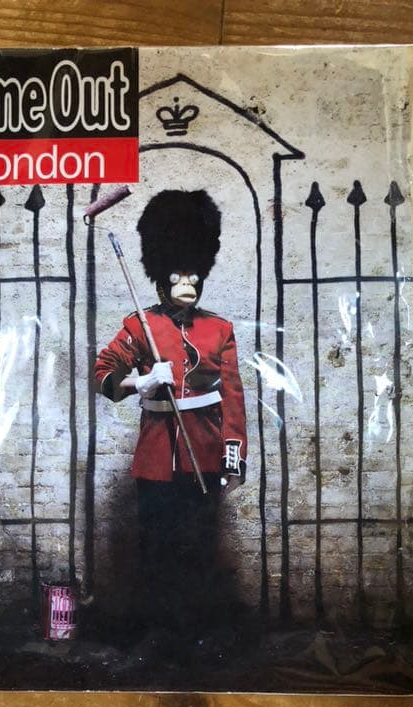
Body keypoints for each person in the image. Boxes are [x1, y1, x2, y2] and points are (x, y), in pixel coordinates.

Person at [94, 189, 247, 634]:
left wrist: (233, 460)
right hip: (157, 457)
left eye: (193, 276)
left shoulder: (219, 329)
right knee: (157, 547)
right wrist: (139, 382)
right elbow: (102, 374)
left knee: (199, 547)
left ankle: (195, 634)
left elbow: (232, 399)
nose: (187, 284)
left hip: (206, 454)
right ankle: (158, 633)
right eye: (178, 275)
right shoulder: (140, 325)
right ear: (162, 277)